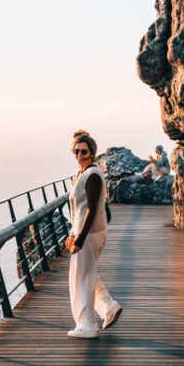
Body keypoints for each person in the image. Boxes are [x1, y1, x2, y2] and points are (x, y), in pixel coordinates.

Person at [65, 130, 122, 338]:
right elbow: (77, 211)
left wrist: (79, 238)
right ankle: (108, 307)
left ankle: (87, 325)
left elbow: (91, 209)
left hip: (89, 234)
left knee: (82, 278)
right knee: (86, 274)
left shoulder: (93, 175)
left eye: (83, 151)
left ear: (92, 152)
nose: (79, 155)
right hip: (84, 233)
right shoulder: (83, 173)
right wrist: (73, 233)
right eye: (76, 151)